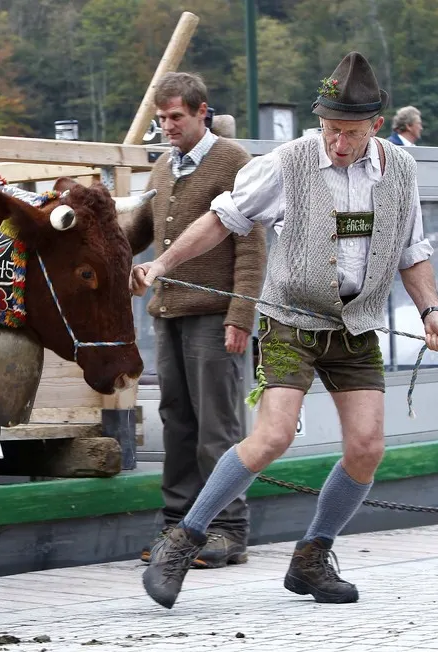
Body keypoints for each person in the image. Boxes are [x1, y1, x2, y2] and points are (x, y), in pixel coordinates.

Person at [132, 51, 438, 609]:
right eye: (330, 129)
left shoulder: (401, 172)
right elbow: (223, 218)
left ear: (375, 127)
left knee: (366, 447)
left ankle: (311, 558)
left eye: (350, 133)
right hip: (291, 321)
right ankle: (182, 540)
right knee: (273, 436)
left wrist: (432, 311)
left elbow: (411, 253)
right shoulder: (289, 162)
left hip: (356, 326)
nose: (337, 143)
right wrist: (162, 265)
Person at [122, 72, 266, 569]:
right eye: (161, 119)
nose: (167, 127)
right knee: (177, 423)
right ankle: (177, 528)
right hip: (168, 314)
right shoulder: (163, 168)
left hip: (214, 317)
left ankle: (228, 531)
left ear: (202, 112)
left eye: (176, 117)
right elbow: (137, 231)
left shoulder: (233, 162)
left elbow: (251, 245)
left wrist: (240, 313)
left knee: (218, 428)